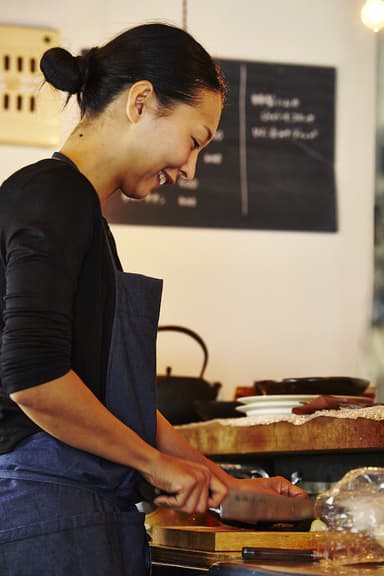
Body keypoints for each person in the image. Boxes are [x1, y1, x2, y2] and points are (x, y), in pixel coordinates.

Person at [0, 22, 306, 576]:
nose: (189, 168)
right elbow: (34, 379)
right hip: (44, 515)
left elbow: (112, 402)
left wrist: (222, 481)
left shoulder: (79, 212)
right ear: (141, 101)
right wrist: (154, 465)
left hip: (72, 515)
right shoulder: (53, 195)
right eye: (194, 141)